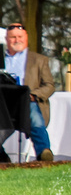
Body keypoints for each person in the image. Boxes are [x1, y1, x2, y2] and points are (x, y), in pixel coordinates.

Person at [3, 23, 55, 161]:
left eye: (19, 36)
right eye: (13, 37)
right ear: (6, 39)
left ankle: (44, 152)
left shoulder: (39, 60)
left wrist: (33, 95)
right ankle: (3, 159)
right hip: (3, 103)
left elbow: (49, 85)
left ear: (26, 38)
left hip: (28, 101)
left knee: (34, 114)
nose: (16, 40)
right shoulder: (1, 59)